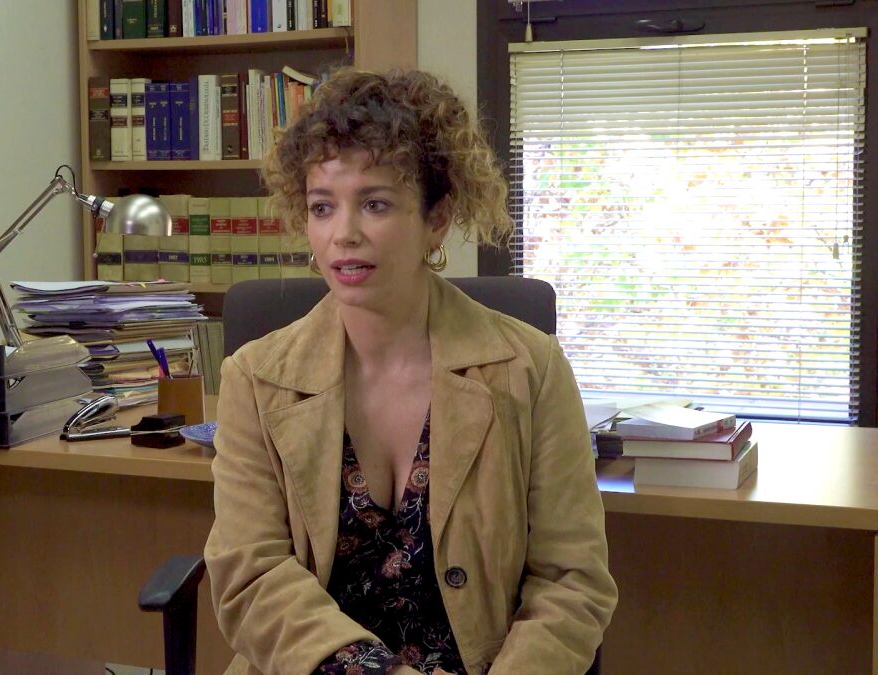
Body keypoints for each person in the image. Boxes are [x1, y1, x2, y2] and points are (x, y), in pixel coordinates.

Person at [204, 68, 617, 675]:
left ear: (437, 218)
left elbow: (571, 581)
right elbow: (251, 576)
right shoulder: (256, 378)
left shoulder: (531, 369)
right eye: (322, 207)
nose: (343, 234)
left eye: (374, 204)